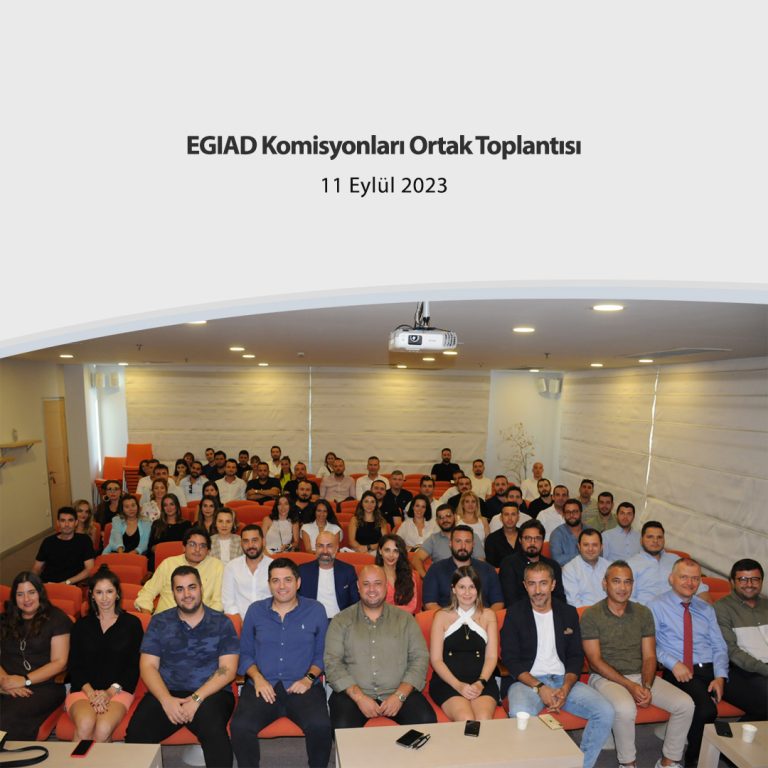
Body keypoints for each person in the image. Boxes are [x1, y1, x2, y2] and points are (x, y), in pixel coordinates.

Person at [581, 560, 694, 768]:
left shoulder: (643, 613)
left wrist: (646, 686)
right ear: (605, 583)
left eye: (627, 582)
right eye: (616, 581)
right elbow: (595, 662)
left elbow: (650, 657)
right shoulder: (591, 615)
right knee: (625, 708)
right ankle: (628, 763)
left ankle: (668, 762)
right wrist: (630, 686)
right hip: (605, 677)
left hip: (640, 676)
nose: (622, 587)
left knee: (685, 704)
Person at [500, 561, 614, 768]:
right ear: (525, 585)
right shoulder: (515, 613)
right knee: (520, 714)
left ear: (553, 584)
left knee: (605, 711)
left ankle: (582, 765)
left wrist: (566, 687)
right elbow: (510, 660)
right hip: (528, 682)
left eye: (543, 583)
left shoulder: (568, 613)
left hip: (563, 680)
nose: (538, 590)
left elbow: (575, 656)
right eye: (532, 584)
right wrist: (540, 687)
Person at [125, 566, 239, 768]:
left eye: (191, 587)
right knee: (136, 734)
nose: (187, 594)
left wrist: (196, 699)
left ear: (201, 588)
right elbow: (148, 666)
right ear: (173, 592)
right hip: (168, 691)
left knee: (213, 731)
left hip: (212, 693)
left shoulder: (222, 622)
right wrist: (166, 700)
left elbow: (227, 669)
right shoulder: (159, 622)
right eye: (180, 589)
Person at [231, 558, 332, 768]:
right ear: (269, 584)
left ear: (298, 582)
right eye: (275, 581)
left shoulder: (316, 610)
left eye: (287, 580)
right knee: (240, 726)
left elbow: (322, 654)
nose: (282, 586)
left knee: (321, 725)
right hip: (262, 686)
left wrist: (308, 679)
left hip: (303, 685)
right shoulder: (255, 611)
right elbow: (245, 653)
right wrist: (257, 678)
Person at [324, 565, 436, 728]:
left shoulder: (405, 619)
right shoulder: (341, 620)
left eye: (377, 583)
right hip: (352, 694)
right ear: (358, 586)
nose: (372, 589)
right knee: (343, 726)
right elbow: (332, 663)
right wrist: (359, 698)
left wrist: (400, 695)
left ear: (386, 586)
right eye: (366, 584)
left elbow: (419, 658)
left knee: (426, 721)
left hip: (399, 691)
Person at [649, 558, 728, 767]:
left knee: (762, 699)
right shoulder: (656, 605)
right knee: (707, 710)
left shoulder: (706, 608)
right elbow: (649, 645)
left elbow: (719, 646)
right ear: (671, 578)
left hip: (711, 668)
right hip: (679, 670)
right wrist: (673, 663)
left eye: (695, 578)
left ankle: (724, 745)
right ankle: (695, 757)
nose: (690, 583)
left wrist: (720, 676)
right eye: (684, 577)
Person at [66, 567, 144, 742]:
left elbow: (133, 666)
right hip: (84, 690)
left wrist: (109, 693)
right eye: (99, 592)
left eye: (109, 591)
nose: (104, 598)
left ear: (117, 594)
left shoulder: (132, 624)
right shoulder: (81, 626)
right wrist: (91, 693)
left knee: (103, 729)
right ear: (92, 595)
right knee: (85, 724)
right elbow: (75, 665)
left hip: (119, 690)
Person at [0, 571, 71, 739]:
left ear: (40, 593)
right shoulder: (4, 619)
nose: (26, 599)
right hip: (6, 684)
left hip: (42, 687)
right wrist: (4, 681)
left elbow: (59, 662)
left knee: (6, 718)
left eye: (31, 592)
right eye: (20, 594)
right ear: (14, 597)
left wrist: (24, 680)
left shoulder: (57, 619)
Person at [429, 566, 500, 721]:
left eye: (472, 587)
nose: (467, 593)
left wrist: (480, 683)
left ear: (478, 589)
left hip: (482, 681)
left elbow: (491, 657)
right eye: (462, 587)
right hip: (448, 682)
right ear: (453, 589)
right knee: (466, 718)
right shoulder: (441, 616)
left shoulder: (489, 615)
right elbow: (436, 660)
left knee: (483, 718)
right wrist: (458, 685)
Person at [714, 558, 768, 721]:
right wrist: (765, 669)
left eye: (755, 579)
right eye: (743, 579)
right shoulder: (721, 608)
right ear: (732, 582)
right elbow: (731, 651)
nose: (749, 584)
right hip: (740, 671)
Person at [134, 527, 224, 614]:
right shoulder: (168, 564)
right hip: (165, 619)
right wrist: (149, 618)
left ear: (208, 550)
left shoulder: (217, 566)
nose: (197, 549)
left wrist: (206, 620)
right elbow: (147, 593)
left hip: (199, 621)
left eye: (202, 546)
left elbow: (218, 602)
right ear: (184, 547)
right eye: (192, 544)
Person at [423, 526, 504, 611]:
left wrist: (484, 617)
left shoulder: (488, 570)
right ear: (450, 543)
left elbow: (498, 602)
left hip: (482, 616)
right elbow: (430, 603)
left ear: (473, 545)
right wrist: (450, 617)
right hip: (446, 616)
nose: (463, 546)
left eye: (467, 541)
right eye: (458, 541)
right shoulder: (436, 569)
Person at [629, 522, 708, 605]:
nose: (655, 541)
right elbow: (629, 598)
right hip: (647, 610)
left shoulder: (676, 560)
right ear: (641, 541)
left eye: (659, 537)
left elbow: (700, 589)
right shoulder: (631, 565)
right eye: (650, 537)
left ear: (664, 540)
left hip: (679, 609)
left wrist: (706, 608)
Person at [499, 519, 566, 607]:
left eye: (537, 538)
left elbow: (560, 599)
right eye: (527, 538)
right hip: (521, 612)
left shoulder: (553, 566)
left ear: (543, 541)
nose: (532, 543)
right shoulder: (509, 564)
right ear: (520, 540)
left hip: (550, 612)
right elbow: (511, 601)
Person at [299, 531, 360, 619]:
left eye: (329, 546)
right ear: (315, 548)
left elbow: (355, 603)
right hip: (311, 620)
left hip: (340, 621)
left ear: (336, 548)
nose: (325, 551)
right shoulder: (303, 571)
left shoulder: (347, 571)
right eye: (320, 546)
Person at [412, 505, 484, 577]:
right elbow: (416, 559)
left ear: (455, 517)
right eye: (441, 517)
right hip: (442, 579)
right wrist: (426, 577)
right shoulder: (433, 539)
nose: (445, 520)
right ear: (437, 521)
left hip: (468, 579)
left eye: (448, 516)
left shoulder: (471, 536)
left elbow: (480, 562)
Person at [32, 506, 95, 585]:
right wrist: (33, 583)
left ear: (76, 522)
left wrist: (66, 583)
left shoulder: (84, 540)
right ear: (58, 523)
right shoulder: (48, 542)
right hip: (48, 584)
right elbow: (37, 568)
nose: (66, 524)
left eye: (70, 520)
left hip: (71, 584)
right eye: (63, 520)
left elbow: (89, 569)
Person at [222, 525, 273, 619]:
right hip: (240, 621)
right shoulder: (231, 567)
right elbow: (228, 603)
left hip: (269, 620)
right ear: (241, 543)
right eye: (246, 541)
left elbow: (280, 600)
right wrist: (241, 623)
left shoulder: (274, 567)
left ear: (263, 541)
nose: (250, 545)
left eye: (254, 540)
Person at [561, 529, 610, 607]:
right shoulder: (570, 570)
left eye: (594, 545)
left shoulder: (610, 567)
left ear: (601, 547)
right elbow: (574, 604)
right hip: (585, 613)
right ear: (579, 547)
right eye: (586, 545)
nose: (590, 549)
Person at [146, 493, 191, 570]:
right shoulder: (156, 524)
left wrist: (166, 548)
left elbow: (188, 546)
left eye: (171, 504)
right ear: (163, 508)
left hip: (180, 562)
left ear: (177, 506)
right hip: (160, 561)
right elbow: (151, 547)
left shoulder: (186, 524)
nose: (169, 508)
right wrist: (160, 549)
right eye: (165, 505)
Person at [376, 534, 418, 614]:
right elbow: (372, 606)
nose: (391, 555)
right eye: (387, 550)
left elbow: (412, 606)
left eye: (396, 551)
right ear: (380, 551)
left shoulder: (409, 575)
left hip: (404, 618)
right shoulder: (373, 575)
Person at [484, 502, 522, 567]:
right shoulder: (492, 539)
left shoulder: (525, 536)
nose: (510, 518)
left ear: (518, 517)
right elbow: (490, 567)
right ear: (501, 517)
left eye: (513, 514)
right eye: (506, 514)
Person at [549, 498, 584, 567]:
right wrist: (583, 555)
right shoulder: (556, 534)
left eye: (575, 511)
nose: (571, 515)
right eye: (568, 512)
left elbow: (598, 555)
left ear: (581, 513)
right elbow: (557, 560)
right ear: (563, 514)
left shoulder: (590, 531)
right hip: (565, 571)